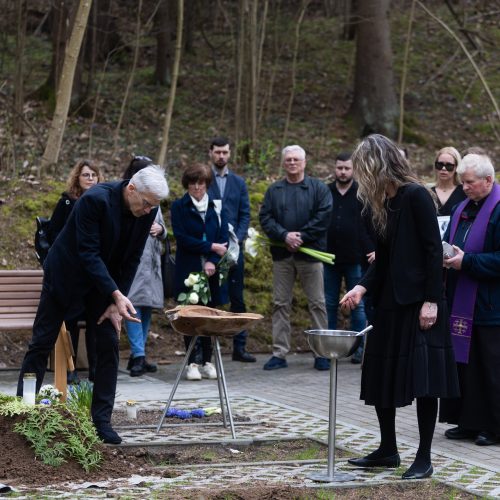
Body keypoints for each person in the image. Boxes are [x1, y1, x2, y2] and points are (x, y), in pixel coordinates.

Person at [17, 165, 169, 444]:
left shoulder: (145, 211)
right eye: (147, 204)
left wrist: (117, 299)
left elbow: (133, 257)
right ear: (131, 189)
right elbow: (88, 253)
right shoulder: (95, 199)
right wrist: (115, 292)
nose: (149, 211)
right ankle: (22, 410)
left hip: (103, 284)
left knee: (109, 344)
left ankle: (101, 421)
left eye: (154, 207)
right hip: (67, 275)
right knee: (42, 342)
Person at [340, 134, 459, 480]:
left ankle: (423, 458)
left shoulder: (417, 196)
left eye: (364, 167)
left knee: (424, 382)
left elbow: (433, 251)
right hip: (390, 303)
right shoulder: (381, 203)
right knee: (381, 375)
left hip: (421, 304)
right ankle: (388, 450)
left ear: (379, 164)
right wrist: (362, 286)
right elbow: (385, 258)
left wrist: (432, 301)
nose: (361, 174)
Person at [440, 152, 500, 446]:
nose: (464, 187)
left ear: (488, 180)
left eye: (470, 183)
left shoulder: (499, 209)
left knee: (489, 369)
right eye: (462, 182)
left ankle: (494, 426)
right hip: (460, 299)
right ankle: (467, 421)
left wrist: (468, 262)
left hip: (490, 304)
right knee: (464, 365)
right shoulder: (462, 207)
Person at [259, 145, 332, 371]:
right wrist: (284, 236)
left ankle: (321, 353)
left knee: (317, 303)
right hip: (282, 255)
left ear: (304, 162)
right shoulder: (274, 190)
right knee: (280, 304)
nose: (292, 163)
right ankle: (279, 353)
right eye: (288, 159)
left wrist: (302, 236)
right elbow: (265, 217)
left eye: (296, 159)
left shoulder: (318, 189)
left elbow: (324, 215)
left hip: (311, 256)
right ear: (283, 163)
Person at [171, 163, 229, 381]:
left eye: (201, 183)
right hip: (188, 269)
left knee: (210, 316)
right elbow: (182, 238)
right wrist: (210, 248)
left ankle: (208, 361)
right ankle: (191, 363)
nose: (197, 187)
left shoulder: (217, 206)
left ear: (207, 184)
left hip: (212, 271)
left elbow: (223, 238)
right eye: (193, 183)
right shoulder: (179, 206)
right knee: (190, 318)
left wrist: (213, 259)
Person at [48, 159, 104, 384]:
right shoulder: (67, 202)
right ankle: (69, 369)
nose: (90, 179)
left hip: (95, 273)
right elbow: (53, 234)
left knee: (95, 321)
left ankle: (95, 369)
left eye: (93, 175)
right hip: (71, 272)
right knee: (70, 321)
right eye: (85, 175)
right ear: (77, 178)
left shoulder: (103, 201)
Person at [207, 136, 255, 363]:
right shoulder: (204, 180)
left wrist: (239, 237)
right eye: (218, 152)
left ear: (230, 154)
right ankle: (209, 350)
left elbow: (245, 213)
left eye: (225, 152)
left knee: (237, 299)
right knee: (212, 298)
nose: (221, 156)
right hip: (213, 249)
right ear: (211, 153)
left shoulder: (239, 182)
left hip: (235, 251)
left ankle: (240, 347)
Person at [324, 151, 374, 364]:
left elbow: (370, 224)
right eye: (339, 168)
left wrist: (372, 249)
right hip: (328, 259)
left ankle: (358, 347)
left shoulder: (362, 194)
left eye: (347, 168)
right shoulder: (325, 192)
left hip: (356, 258)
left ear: (353, 170)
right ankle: (329, 348)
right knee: (329, 304)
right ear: (334, 168)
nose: (342, 172)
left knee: (357, 305)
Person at [122, 156, 167, 377]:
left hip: (153, 262)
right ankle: (139, 355)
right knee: (133, 306)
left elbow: (163, 227)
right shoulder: (132, 198)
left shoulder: (155, 197)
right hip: (136, 261)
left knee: (147, 306)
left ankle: (136, 355)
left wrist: (161, 230)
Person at [431, 147, 466, 216]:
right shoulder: (427, 193)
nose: (443, 169)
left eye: (449, 166)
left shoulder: (465, 191)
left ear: (457, 167)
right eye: (440, 165)